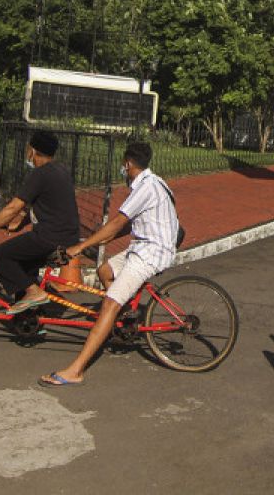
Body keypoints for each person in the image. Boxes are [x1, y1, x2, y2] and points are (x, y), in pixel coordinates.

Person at [39, 141, 178, 386]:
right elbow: (123, 227)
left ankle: (76, 370)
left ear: (128, 164)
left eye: (123, 166)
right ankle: (125, 320)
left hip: (151, 253)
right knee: (105, 270)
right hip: (144, 246)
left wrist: (79, 248)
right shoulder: (155, 182)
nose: (122, 170)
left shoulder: (145, 188)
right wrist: (100, 239)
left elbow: (117, 223)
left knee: (109, 304)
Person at [0, 130, 79, 314]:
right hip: (67, 237)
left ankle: (34, 292)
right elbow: (45, 202)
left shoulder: (40, 174)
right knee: (22, 267)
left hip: (48, 237)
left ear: (33, 151)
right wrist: (20, 223)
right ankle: (29, 317)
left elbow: (13, 208)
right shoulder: (61, 171)